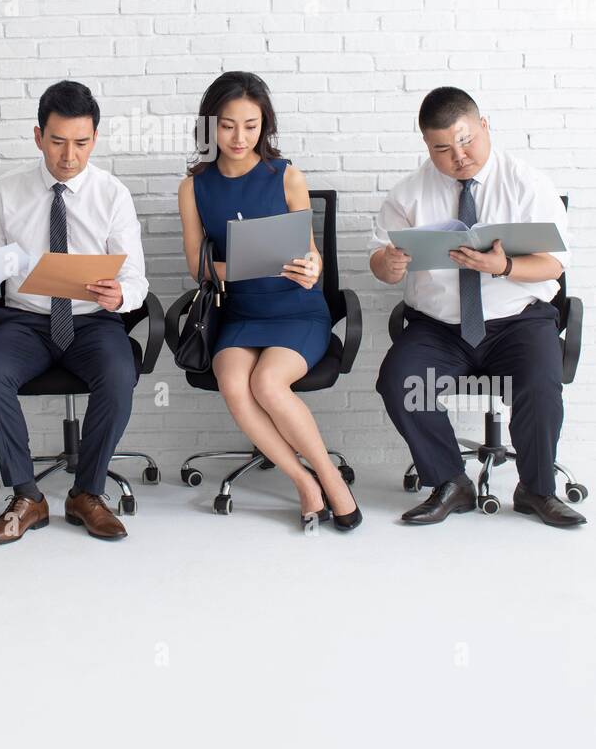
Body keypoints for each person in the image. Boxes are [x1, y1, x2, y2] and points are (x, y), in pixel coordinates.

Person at [371, 86, 584, 529]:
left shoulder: (527, 184)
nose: (458, 157)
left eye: (466, 141)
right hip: (439, 327)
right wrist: (389, 264)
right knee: (400, 380)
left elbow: (553, 264)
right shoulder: (410, 192)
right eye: (442, 149)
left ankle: (536, 490)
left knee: (540, 383)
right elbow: (380, 263)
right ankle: (451, 481)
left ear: (485, 126)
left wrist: (503, 265)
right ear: (427, 146)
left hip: (518, 322)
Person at [0, 80, 148, 545]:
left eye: (82, 143)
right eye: (58, 141)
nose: (69, 156)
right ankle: (28, 496)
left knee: (118, 374)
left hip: (92, 320)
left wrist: (119, 296)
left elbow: (137, 281)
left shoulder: (112, 195)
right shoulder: (7, 192)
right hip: (25, 321)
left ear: (95, 139)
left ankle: (87, 493)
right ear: (37, 136)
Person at [177, 70, 362, 531]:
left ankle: (332, 481)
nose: (239, 137)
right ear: (208, 127)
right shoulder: (193, 187)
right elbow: (198, 268)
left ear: (265, 127)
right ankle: (304, 482)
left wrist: (313, 267)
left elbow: (310, 251)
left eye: (251, 126)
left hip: (294, 310)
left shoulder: (287, 176)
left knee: (268, 384)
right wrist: (248, 265)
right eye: (227, 125)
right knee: (235, 384)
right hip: (239, 313)